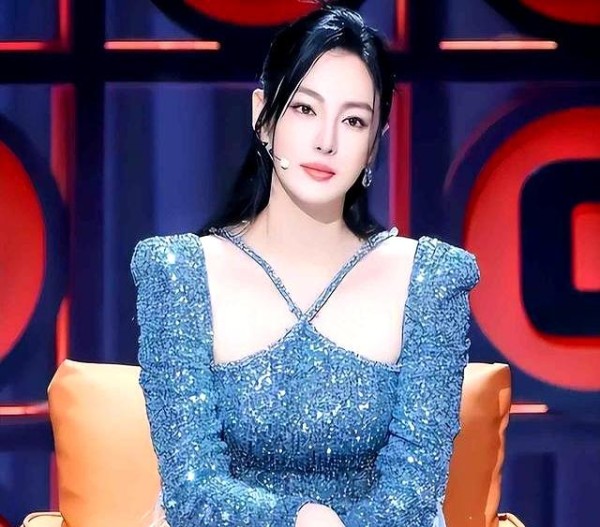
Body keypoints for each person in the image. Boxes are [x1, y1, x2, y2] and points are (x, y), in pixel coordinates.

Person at [130, 3, 480, 527]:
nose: (326, 141)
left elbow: (413, 495)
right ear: (263, 117)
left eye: (354, 120)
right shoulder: (179, 274)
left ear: (375, 143)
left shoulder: (429, 282)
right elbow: (192, 489)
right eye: (304, 109)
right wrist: (299, 520)